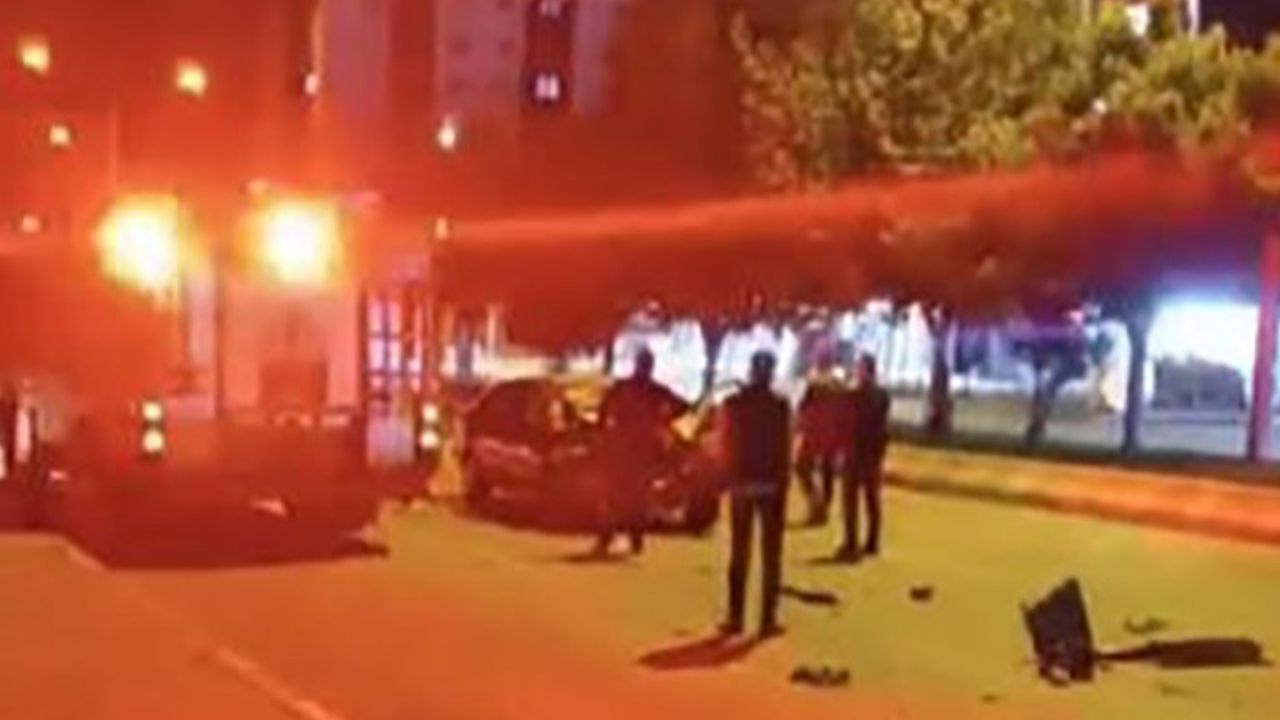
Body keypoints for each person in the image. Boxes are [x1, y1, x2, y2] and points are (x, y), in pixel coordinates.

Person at [592, 348, 690, 557]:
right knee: (635, 497)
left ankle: (611, 539)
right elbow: (683, 406)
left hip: (625, 448)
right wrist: (662, 420)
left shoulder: (625, 387)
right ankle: (632, 538)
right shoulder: (653, 390)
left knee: (618, 497)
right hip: (640, 450)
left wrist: (606, 430)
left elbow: (603, 410)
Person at [720, 351, 791, 637]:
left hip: (742, 484)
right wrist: (783, 484)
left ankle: (735, 618)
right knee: (771, 555)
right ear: (771, 373)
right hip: (770, 486)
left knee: (739, 552)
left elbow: (728, 444)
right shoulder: (780, 406)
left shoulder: (734, 404)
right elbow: (784, 449)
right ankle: (767, 620)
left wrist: (729, 478)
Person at [835, 354, 891, 562]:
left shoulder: (854, 396)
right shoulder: (882, 396)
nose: (857, 371)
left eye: (859, 368)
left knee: (851, 500)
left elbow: (847, 423)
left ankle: (852, 542)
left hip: (856, 452)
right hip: (872, 453)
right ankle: (872, 542)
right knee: (871, 500)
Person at [796, 355, 847, 525]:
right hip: (830, 435)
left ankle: (818, 505)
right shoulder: (838, 386)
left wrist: (801, 426)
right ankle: (822, 507)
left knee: (804, 468)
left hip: (815, 433)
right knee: (826, 471)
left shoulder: (817, 384)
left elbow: (803, 408)